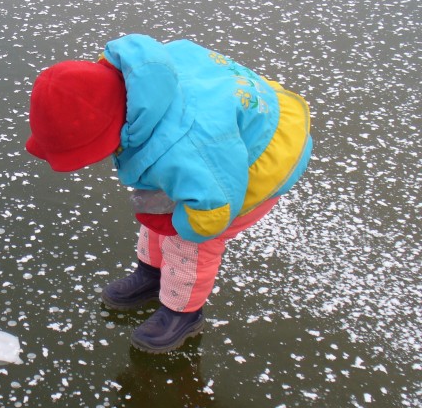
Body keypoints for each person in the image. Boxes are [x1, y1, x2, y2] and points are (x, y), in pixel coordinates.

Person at [26, 34, 313, 353]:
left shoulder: (188, 148)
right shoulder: (144, 79)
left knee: (187, 240)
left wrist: (184, 224)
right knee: (153, 209)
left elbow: (214, 209)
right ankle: (152, 274)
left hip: (262, 155)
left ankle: (183, 313)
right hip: (223, 133)